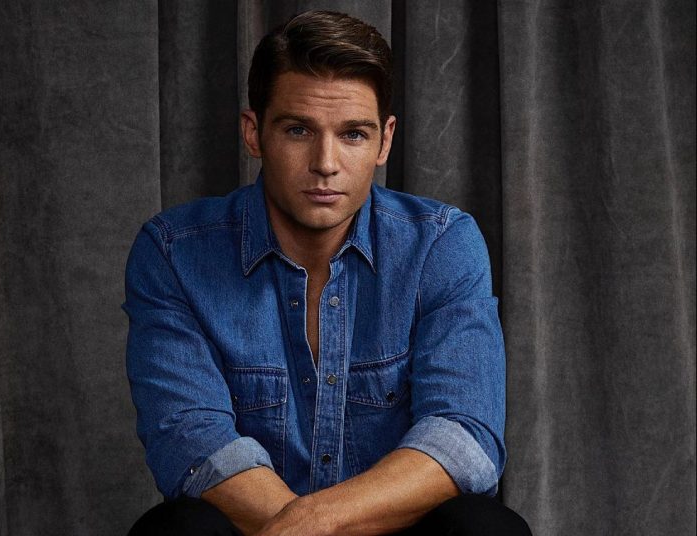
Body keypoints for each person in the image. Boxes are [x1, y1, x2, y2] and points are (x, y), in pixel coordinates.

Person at [122, 10, 531, 536]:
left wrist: (318, 520)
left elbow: (463, 434)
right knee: (177, 529)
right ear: (254, 133)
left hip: (386, 529)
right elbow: (191, 439)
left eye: (353, 134)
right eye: (298, 130)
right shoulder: (173, 253)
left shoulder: (440, 244)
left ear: (384, 141)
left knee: (485, 528)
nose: (326, 163)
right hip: (256, 530)